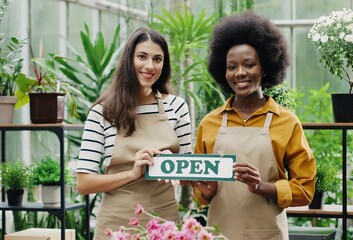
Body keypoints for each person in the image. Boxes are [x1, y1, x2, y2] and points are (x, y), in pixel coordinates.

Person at [191, 11, 316, 240]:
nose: (240, 73)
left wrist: (262, 187)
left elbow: (305, 189)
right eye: (232, 67)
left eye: (249, 65)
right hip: (219, 233)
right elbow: (200, 193)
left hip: (268, 233)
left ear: (266, 67)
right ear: (223, 70)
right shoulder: (209, 123)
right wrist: (205, 192)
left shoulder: (286, 122)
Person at [75, 27, 192, 239]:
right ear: (129, 60)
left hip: (164, 224)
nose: (150, 66)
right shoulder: (102, 112)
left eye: (158, 59)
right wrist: (132, 174)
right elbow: (84, 183)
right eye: (142, 57)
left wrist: (171, 166)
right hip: (117, 225)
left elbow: (186, 179)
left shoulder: (177, 107)